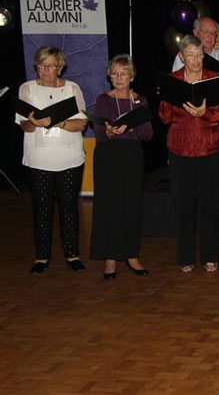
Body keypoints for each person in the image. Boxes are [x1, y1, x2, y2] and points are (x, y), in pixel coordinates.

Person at [158, 35, 219, 273]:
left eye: (199, 55)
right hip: (180, 148)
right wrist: (167, 98)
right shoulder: (173, 80)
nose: (196, 60)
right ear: (181, 56)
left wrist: (203, 113)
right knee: (184, 204)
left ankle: (210, 254)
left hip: (209, 148)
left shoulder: (214, 79)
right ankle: (185, 256)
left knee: (210, 204)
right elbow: (164, 117)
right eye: (190, 56)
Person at [16, 46, 88, 274]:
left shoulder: (72, 88)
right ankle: (42, 257)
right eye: (41, 65)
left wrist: (60, 123)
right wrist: (32, 122)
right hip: (38, 158)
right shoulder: (26, 88)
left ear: (60, 67)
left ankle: (73, 255)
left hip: (69, 156)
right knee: (42, 208)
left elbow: (82, 123)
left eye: (50, 65)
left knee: (69, 207)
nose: (45, 70)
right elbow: (23, 126)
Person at [173, 16, 219, 252]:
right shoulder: (181, 58)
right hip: (188, 128)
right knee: (190, 189)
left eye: (214, 34)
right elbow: (174, 95)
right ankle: (189, 240)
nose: (210, 38)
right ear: (195, 33)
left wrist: (216, 109)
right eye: (205, 33)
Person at [89, 54, 153, 279]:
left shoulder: (140, 101)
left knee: (131, 205)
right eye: (115, 73)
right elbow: (98, 133)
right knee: (109, 206)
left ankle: (131, 255)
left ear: (131, 76)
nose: (119, 77)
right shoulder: (102, 100)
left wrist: (130, 130)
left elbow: (148, 133)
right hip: (108, 157)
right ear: (109, 75)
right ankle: (110, 259)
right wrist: (108, 131)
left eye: (123, 73)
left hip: (132, 157)